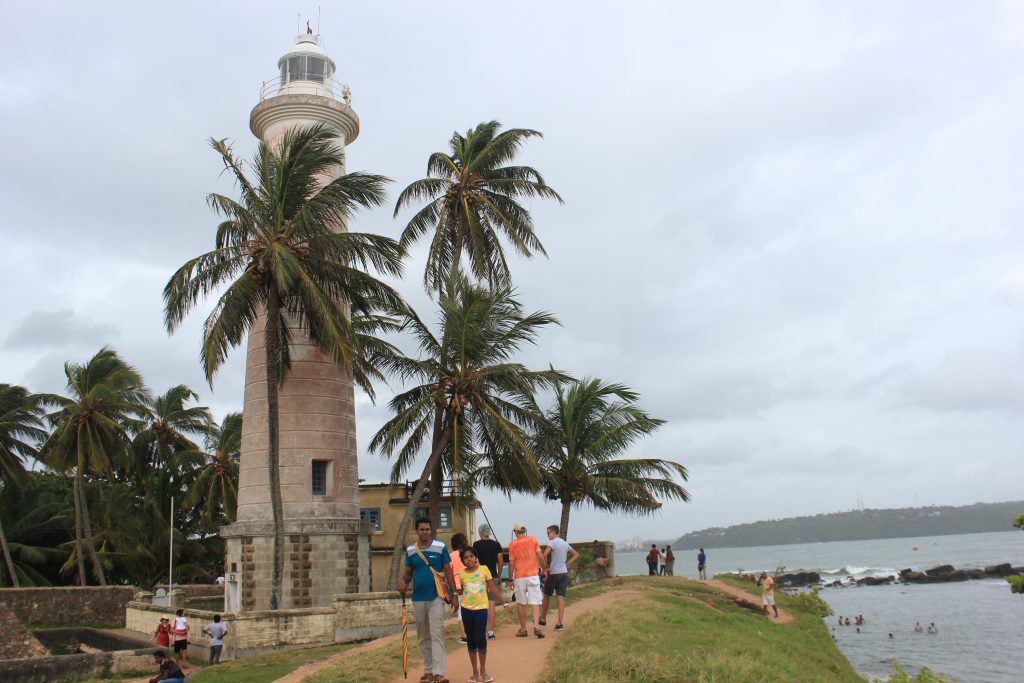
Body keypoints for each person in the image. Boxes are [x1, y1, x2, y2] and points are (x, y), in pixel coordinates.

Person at [398, 518, 460, 683]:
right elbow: (408, 573)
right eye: (422, 529)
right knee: (423, 636)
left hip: (436, 597)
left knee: (436, 634)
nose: (425, 532)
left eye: (427, 529)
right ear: (416, 531)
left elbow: (448, 570)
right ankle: (428, 671)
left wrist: (454, 595)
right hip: (418, 598)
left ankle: (439, 672)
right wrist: (403, 582)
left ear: (431, 530)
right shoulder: (411, 550)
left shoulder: (440, 547)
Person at [457, 547, 510, 683]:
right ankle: (474, 672)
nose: (469, 559)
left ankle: (483, 672)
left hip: (481, 610)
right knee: (471, 641)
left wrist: (504, 603)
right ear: (462, 560)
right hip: (466, 610)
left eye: (471, 556)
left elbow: (492, 588)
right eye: (465, 558)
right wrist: (449, 591)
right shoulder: (461, 574)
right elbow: (462, 591)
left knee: (480, 639)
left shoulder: (484, 569)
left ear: (476, 557)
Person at [508, 523, 547, 639]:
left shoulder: (513, 544)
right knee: (535, 602)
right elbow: (540, 556)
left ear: (515, 532)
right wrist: (544, 568)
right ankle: (536, 627)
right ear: (525, 531)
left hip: (520, 576)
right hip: (533, 575)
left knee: (520, 603)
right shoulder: (533, 540)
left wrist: (510, 579)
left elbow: (511, 563)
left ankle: (523, 629)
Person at [539, 524, 579, 631]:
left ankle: (543, 619)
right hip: (563, 573)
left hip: (554, 573)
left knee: (546, 595)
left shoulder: (552, 542)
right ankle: (559, 623)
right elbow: (576, 554)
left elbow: (544, 555)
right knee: (561, 597)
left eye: (548, 533)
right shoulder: (564, 543)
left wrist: (545, 568)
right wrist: (567, 564)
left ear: (553, 532)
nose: (547, 535)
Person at [472, 524, 505, 640]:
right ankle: (491, 632)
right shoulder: (496, 544)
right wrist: (499, 576)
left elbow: (474, 561)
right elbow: (500, 562)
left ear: (481, 533)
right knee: (491, 604)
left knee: (479, 605)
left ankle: (480, 631)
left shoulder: (476, 545)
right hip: (493, 577)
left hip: (480, 578)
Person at [450, 532, 470, 645]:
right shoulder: (469, 553)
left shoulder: (452, 555)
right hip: (470, 584)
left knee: (461, 612)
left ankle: (464, 636)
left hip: (458, 586)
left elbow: (449, 571)